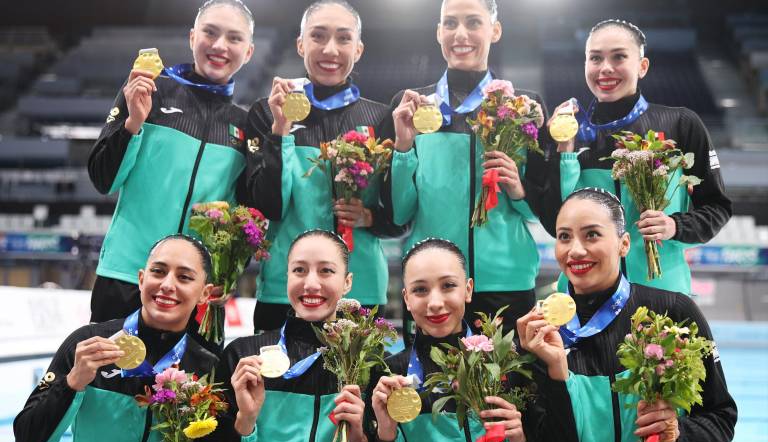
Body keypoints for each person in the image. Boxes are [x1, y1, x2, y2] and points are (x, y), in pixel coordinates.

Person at [517, 188, 737, 442]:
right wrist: (556, 376)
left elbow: (721, 419)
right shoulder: (540, 335)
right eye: (564, 237)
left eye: (592, 234)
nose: (575, 250)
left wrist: (677, 433)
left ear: (623, 244)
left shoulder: (673, 312)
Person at [380, 0, 551, 339]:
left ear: (495, 30)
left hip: (506, 282)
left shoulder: (524, 107)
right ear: (438, 32)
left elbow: (540, 212)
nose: (460, 34)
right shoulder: (412, 106)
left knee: (508, 376)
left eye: (473, 22)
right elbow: (399, 213)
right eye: (451, 23)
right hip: (434, 286)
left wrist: (518, 190)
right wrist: (403, 147)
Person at [368, 238, 576, 442]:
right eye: (420, 290)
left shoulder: (507, 363)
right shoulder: (391, 376)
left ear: (468, 290)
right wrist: (386, 433)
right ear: (406, 298)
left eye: (448, 286)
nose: (435, 302)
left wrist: (520, 440)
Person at [14, 234, 218, 442]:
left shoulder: (207, 367)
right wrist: (72, 383)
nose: (167, 285)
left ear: (205, 293)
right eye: (158, 272)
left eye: (184, 277)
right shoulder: (88, 344)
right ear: (142, 279)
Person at [87, 0, 255, 322]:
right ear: (192, 37)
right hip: (127, 276)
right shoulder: (149, 90)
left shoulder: (246, 125)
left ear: (248, 52)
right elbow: (102, 179)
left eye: (234, 38)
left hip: (196, 289)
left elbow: (243, 217)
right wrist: (133, 123)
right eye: (210, 32)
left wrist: (229, 272)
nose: (220, 45)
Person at [245, 0, 403, 332]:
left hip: (359, 291)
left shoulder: (380, 118)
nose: (330, 49)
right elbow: (269, 206)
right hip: (286, 290)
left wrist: (370, 217)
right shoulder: (267, 111)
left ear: (358, 49)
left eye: (343, 38)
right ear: (301, 44)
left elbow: (401, 218)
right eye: (318, 36)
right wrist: (280, 132)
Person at [200, 230, 382, 442]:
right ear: (286, 277)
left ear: (347, 282)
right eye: (299, 270)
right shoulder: (244, 357)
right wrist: (245, 420)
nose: (311, 284)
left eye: (326, 271)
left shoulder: (371, 362)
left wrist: (360, 439)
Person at [548, 19, 732, 294]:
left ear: (642, 66)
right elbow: (552, 219)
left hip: (661, 294)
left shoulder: (680, 124)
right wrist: (563, 151)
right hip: (585, 296)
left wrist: (674, 226)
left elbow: (717, 208)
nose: (605, 67)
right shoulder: (569, 132)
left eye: (619, 56)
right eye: (595, 58)